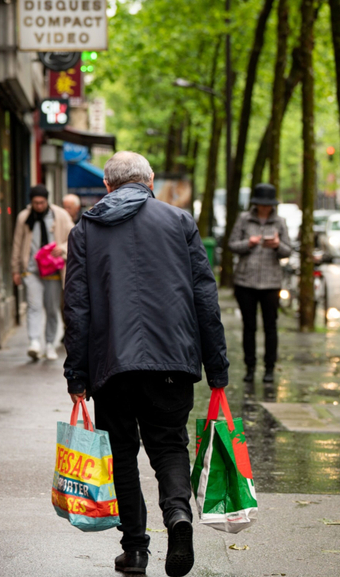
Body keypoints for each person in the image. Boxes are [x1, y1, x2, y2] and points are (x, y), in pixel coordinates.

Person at [63, 151, 229, 577]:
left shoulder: (86, 228)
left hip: (110, 364)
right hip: (172, 360)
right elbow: (205, 299)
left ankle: (135, 549)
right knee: (169, 445)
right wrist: (217, 367)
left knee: (121, 453)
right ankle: (178, 516)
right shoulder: (179, 222)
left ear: (106, 185)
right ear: (150, 179)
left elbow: (77, 306)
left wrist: (77, 373)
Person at [227, 183, 291, 383]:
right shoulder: (244, 219)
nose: (265, 208)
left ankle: (269, 368)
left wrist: (277, 245)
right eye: (261, 204)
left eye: (268, 205)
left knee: (271, 327)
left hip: (271, 283)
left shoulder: (280, 222)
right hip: (246, 282)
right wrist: (249, 243)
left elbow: (288, 250)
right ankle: (250, 367)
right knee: (249, 326)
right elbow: (231, 244)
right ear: (256, 204)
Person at [11, 185, 74, 361]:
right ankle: (34, 342)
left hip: (54, 271)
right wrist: (15, 269)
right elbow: (17, 244)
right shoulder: (24, 217)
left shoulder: (60, 215)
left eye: (42, 202)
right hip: (31, 271)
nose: (39, 206)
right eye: (35, 203)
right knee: (34, 306)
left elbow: (75, 237)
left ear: (47, 201)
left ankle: (49, 344)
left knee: (52, 309)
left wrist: (61, 248)